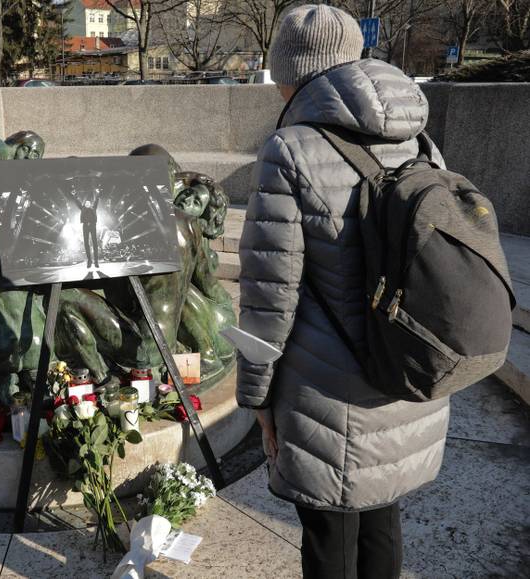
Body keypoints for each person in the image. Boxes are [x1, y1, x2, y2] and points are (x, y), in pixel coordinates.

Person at [236, 5, 449, 579]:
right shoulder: (420, 140)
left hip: (325, 390)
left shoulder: (289, 150)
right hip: (404, 373)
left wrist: (256, 397)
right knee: (382, 518)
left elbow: (268, 298)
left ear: (293, 72)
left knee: (329, 530)